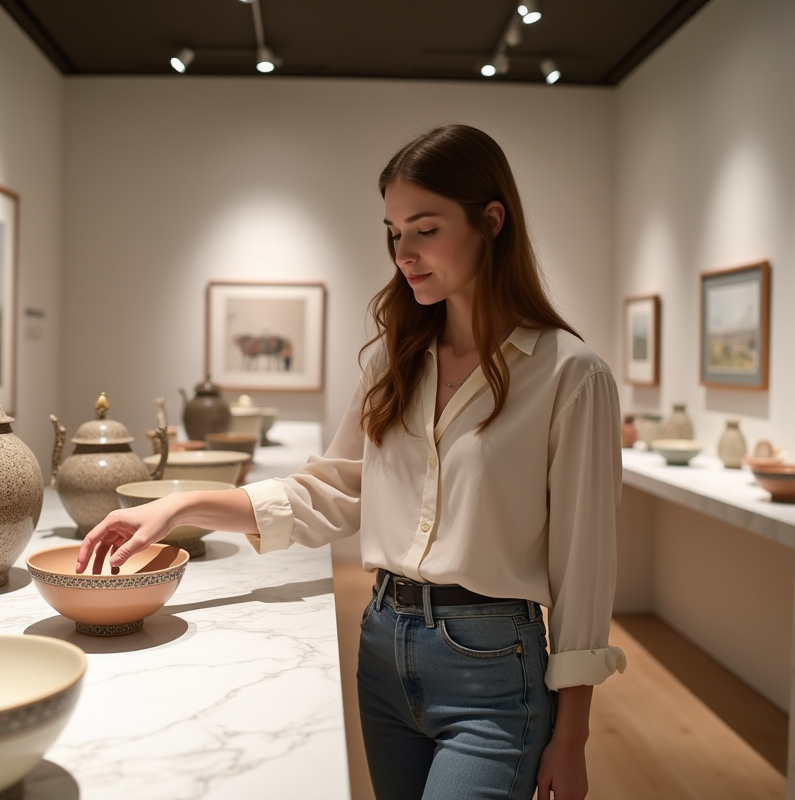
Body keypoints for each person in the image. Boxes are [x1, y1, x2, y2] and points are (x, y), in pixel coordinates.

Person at [77, 124, 626, 800]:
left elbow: (585, 570)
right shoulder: (391, 362)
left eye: (425, 229)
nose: (405, 253)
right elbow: (331, 493)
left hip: (495, 671)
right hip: (382, 650)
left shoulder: (572, 376)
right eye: (394, 233)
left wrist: (571, 739)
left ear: (491, 222)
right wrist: (180, 506)